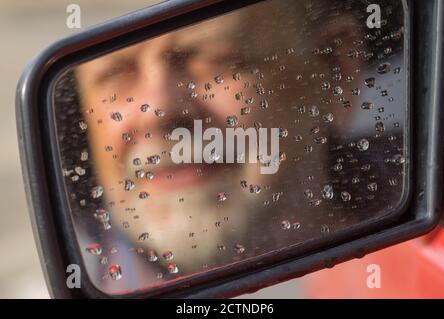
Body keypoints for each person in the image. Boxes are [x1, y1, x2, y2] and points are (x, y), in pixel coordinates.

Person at [54, 0, 407, 295]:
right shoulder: (76, 269)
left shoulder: (431, 203)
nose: (157, 111)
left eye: (212, 58)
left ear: (334, 71)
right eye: (115, 74)